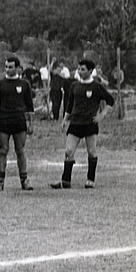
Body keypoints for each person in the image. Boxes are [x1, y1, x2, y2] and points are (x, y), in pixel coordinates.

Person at [51, 59, 115, 189]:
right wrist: (65, 120)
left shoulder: (96, 86)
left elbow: (110, 100)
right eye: (79, 69)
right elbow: (69, 105)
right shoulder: (75, 86)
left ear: (90, 71)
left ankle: (90, 179)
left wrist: (102, 115)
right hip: (75, 123)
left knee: (91, 152)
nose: (80, 71)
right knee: (68, 151)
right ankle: (65, 180)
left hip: (90, 124)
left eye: (83, 69)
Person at [0, 56, 36, 192]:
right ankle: (0, 181)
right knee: (3, 150)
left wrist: (31, 123)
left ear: (17, 68)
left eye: (10, 67)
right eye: (6, 67)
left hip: (19, 121)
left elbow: (29, 106)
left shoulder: (24, 84)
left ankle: (24, 180)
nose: (8, 69)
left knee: (20, 150)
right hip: (4, 120)